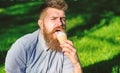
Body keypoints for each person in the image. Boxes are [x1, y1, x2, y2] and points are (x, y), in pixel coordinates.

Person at [5, 0, 82, 73]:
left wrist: (76, 64)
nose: (60, 23)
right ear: (41, 24)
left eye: (63, 19)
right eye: (53, 19)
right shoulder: (23, 47)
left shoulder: (66, 49)